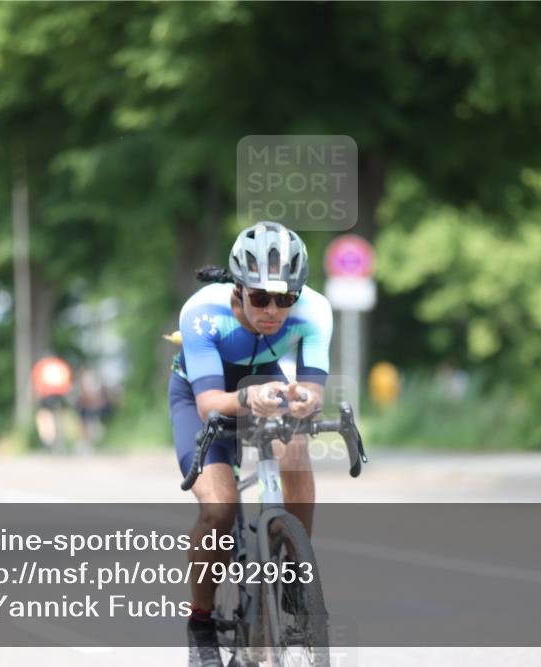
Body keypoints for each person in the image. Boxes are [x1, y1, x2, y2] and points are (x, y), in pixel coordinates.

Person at [169, 221, 332, 667]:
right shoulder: (203, 312)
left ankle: (295, 568)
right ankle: (201, 624)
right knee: (219, 510)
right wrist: (246, 398)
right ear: (238, 289)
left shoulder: (315, 310)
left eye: (286, 298)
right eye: (260, 297)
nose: (274, 310)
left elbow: (315, 389)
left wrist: (303, 401)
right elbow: (209, 404)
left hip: (265, 384)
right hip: (203, 393)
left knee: (295, 449)